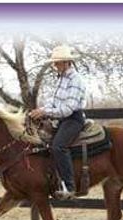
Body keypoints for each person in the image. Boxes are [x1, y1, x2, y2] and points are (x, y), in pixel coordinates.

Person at [28, 45, 87, 200]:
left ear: (67, 62)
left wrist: (46, 112)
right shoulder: (61, 78)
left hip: (73, 119)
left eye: (58, 62)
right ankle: (50, 182)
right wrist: (40, 110)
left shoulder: (76, 80)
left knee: (58, 146)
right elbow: (53, 102)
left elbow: (68, 108)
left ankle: (70, 187)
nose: (55, 66)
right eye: (55, 63)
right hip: (61, 119)